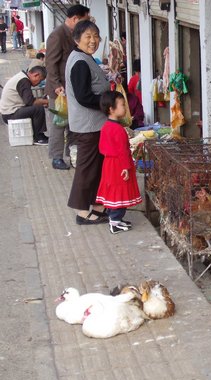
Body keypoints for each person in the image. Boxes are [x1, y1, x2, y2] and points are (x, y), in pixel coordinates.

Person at [65, 20, 110, 225]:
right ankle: (82, 211)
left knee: (97, 167)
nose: (93, 41)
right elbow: (83, 96)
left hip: (94, 125)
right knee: (87, 167)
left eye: (95, 36)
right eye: (88, 37)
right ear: (77, 39)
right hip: (88, 125)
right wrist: (109, 102)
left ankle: (97, 206)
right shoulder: (80, 61)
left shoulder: (84, 57)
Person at [44, 4, 90, 170]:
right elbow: (50, 63)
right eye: (85, 20)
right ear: (75, 19)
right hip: (59, 91)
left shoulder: (75, 35)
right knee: (58, 124)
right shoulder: (58, 35)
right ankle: (56, 157)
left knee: (73, 123)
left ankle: (72, 154)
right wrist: (56, 85)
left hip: (72, 88)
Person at [96, 91, 142, 234]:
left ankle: (115, 219)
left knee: (113, 191)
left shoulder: (105, 127)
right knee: (120, 192)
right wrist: (126, 167)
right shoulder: (118, 130)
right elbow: (122, 151)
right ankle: (115, 222)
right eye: (122, 105)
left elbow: (102, 148)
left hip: (109, 164)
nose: (125, 108)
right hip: (119, 165)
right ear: (111, 109)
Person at [0, 66, 49, 145]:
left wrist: (42, 101)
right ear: (36, 75)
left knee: (36, 107)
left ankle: (36, 134)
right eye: (40, 80)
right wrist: (47, 101)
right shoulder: (24, 81)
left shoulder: (22, 77)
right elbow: (30, 101)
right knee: (38, 109)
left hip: (11, 111)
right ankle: (38, 137)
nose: (39, 83)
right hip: (10, 114)